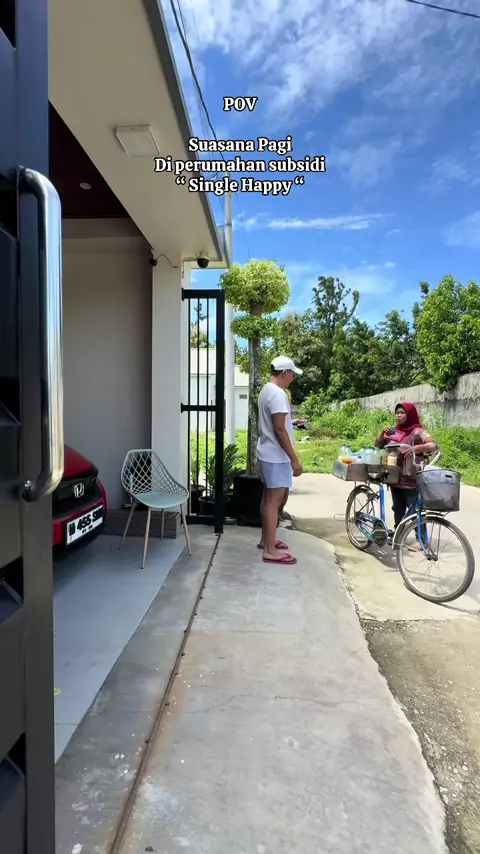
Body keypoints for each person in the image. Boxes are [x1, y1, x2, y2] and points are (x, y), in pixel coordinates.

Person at [257, 356, 303, 565]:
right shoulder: (278, 394)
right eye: (292, 374)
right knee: (274, 501)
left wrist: (290, 422)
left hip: (267, 453)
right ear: (284, 373)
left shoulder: (266, 390)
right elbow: (278, 429)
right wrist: (294, 459)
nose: (293, 378)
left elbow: (277, 423)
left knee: (268, 499)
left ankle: (266, 541)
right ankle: (270, 550)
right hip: (276, 457)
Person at [375, 402, 439, 547]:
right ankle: (398, 535)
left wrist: (415, 448)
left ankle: (421, 540)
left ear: (410, 415)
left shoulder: (418, 432)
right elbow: (378, 445)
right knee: (398, 509)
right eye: (397, 412)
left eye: (402, 413)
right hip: (395, 477)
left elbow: (434, 445)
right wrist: (382, 433)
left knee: (416, 510)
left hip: (412, 478)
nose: (399, 415)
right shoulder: (393, 431)